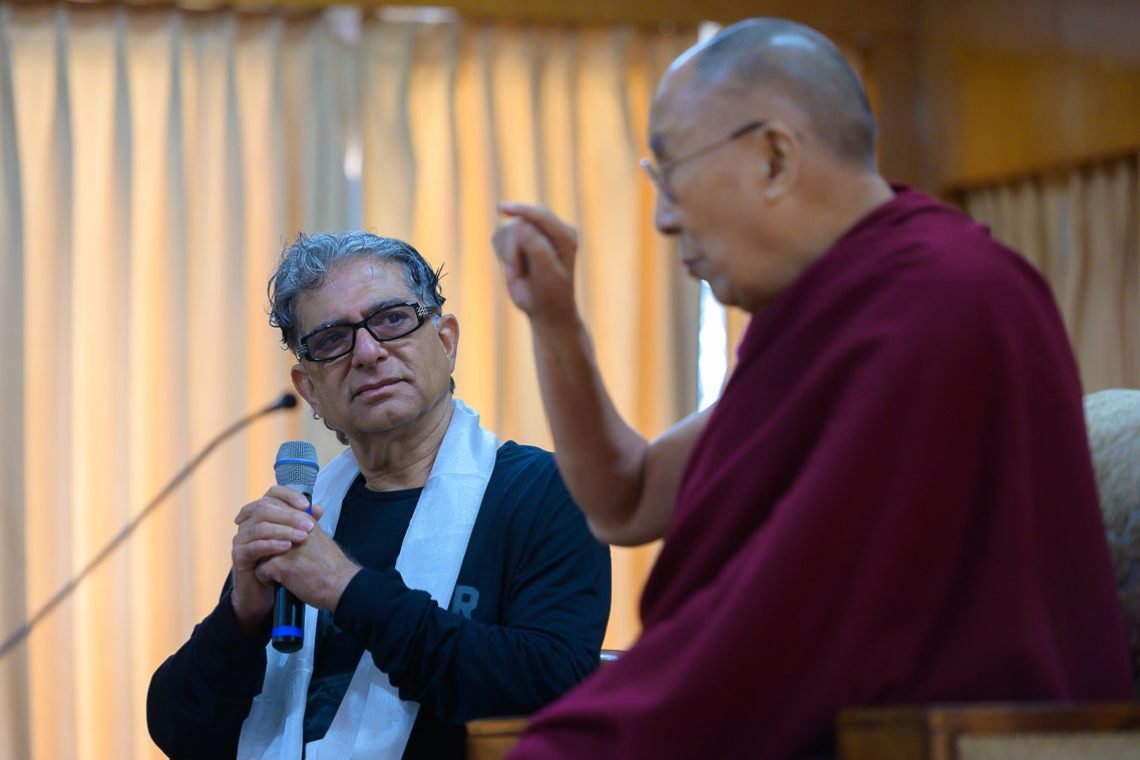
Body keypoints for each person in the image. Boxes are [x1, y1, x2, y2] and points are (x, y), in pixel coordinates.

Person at [491, 17, 1133, 758]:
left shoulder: (944, 304)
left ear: (773, 157)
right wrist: (555, 320)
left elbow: (787, 634)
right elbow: (626, 500)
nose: (663, 218)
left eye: (671, 175)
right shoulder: (828, 313)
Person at [147, 232, 611, 759]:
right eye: (331, 340)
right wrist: (240, 619)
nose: (367, 353)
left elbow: (553, 686)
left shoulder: (546, 491)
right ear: (309, 389)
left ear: (446, 341)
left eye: (392, 319)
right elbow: (180, 732)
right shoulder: (303, 516)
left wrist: (348, 590)